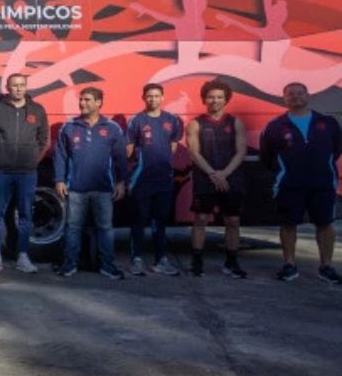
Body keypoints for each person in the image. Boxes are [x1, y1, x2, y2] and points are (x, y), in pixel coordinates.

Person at [259, 82, 342, 283]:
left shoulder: (327, 122)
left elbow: (336, 149)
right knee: (288, 224)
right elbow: (267, 157)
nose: (296, 97)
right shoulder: (275, 126)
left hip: (322, 183)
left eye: (300, 93)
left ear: (308, 96)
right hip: (290, 183)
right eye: (290, 94)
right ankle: (289, 265)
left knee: (325, 224)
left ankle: (326, 266)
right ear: (284, 99)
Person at [55, 87, 128, 279]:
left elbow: (120, 157)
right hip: (76, 188)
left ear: (99, 103)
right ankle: (69, 265)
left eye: (87, 100)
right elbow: (61, 156)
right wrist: (59, 180)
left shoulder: (112, 128)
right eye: (81, 100)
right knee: (73, 228)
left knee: (105, 228)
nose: (82, 103)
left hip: (104, 189)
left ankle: (107, 266)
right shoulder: (69, 127)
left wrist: (121, 182)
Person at [0, 74, 48, 273]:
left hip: (26, 173)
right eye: (14, 85)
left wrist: (32, 161)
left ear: (26, 87)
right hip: (1, 171)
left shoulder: (37, 110)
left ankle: (23, 257)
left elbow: (44, 140)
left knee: (25, 215)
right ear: (8, 87)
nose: (18, 89)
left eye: (22, 85)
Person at [185, 79, 247, 278]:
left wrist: (224, 173)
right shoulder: (196, 123)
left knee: (233, 221)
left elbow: (241, 152)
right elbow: (194, 153)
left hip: (231, 177)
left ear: (226, 99)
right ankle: (197, 261)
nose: (215, 100)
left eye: (219, 97)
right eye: (211, 96)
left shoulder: (235, 122)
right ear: (204, 99)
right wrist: (213, 174)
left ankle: (231, 262)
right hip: (205, 177)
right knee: (201, 218)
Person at [125, 84, 183, 276]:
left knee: (160, 220)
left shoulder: (172, 120)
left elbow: (173, 147)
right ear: (143, 97)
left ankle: (161, 260)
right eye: (149, 96)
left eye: (156, 96)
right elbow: (129, 150)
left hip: (164, 179)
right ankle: (137, 259)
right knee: (139, 219)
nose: (153, 99)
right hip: (141, 179)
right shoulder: (137, 120)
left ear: (163, 98)